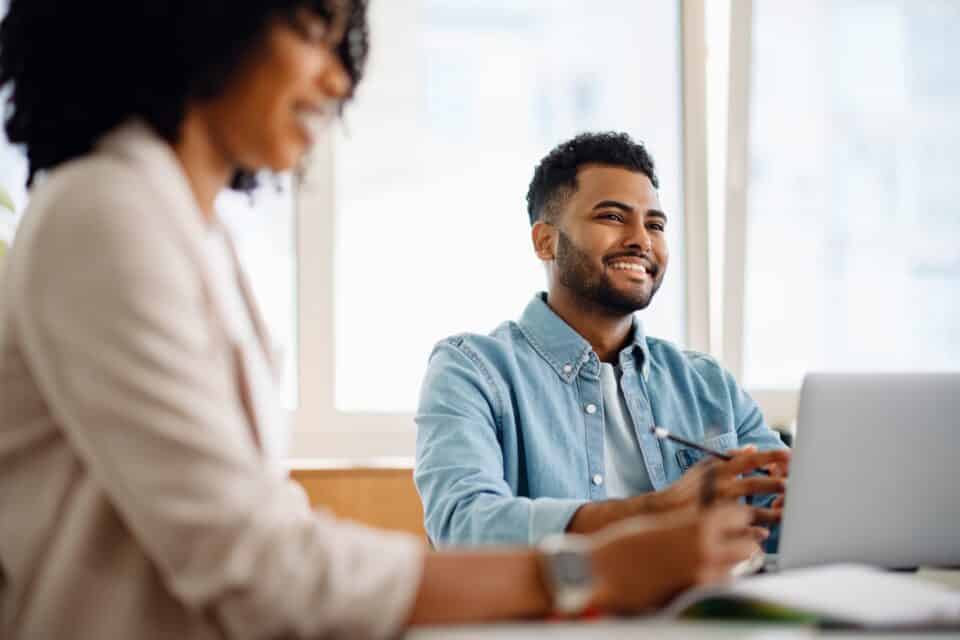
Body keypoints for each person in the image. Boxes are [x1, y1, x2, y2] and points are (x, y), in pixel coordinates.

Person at [0, 2, 763, 638]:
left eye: (344, 46)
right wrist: (594, 567)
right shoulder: (105, 213)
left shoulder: (189, 231)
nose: (338, 79)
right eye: (311, 33)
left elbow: (260, 526)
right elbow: (251, 561)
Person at [415, 132, 790, 548]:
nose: (642, 240)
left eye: (655, 224)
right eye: (612, 217)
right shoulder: (471, 370)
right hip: (565, 613)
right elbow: (463, 526)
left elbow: (786, 519)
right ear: (545, 241)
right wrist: (658, 511)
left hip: (706, 610)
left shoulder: (707, 383)